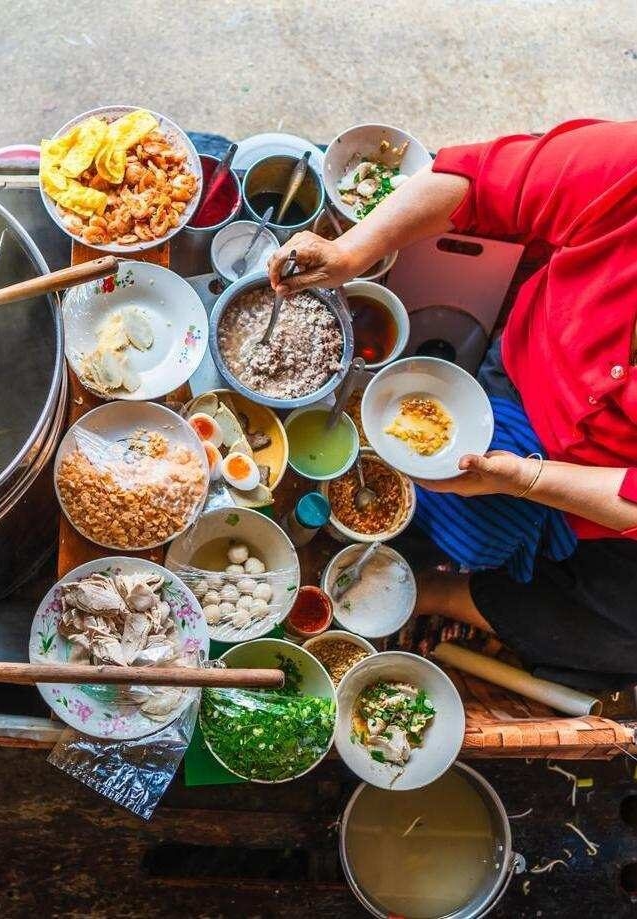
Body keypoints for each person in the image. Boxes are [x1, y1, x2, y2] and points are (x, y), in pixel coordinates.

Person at [268, 119, 637, 690]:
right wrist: (350, 251)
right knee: (436, 498)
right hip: (522, 381)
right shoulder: (628, 170)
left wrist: (525, 481)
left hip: (611, 506)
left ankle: (437, 592)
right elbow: (482, 183)